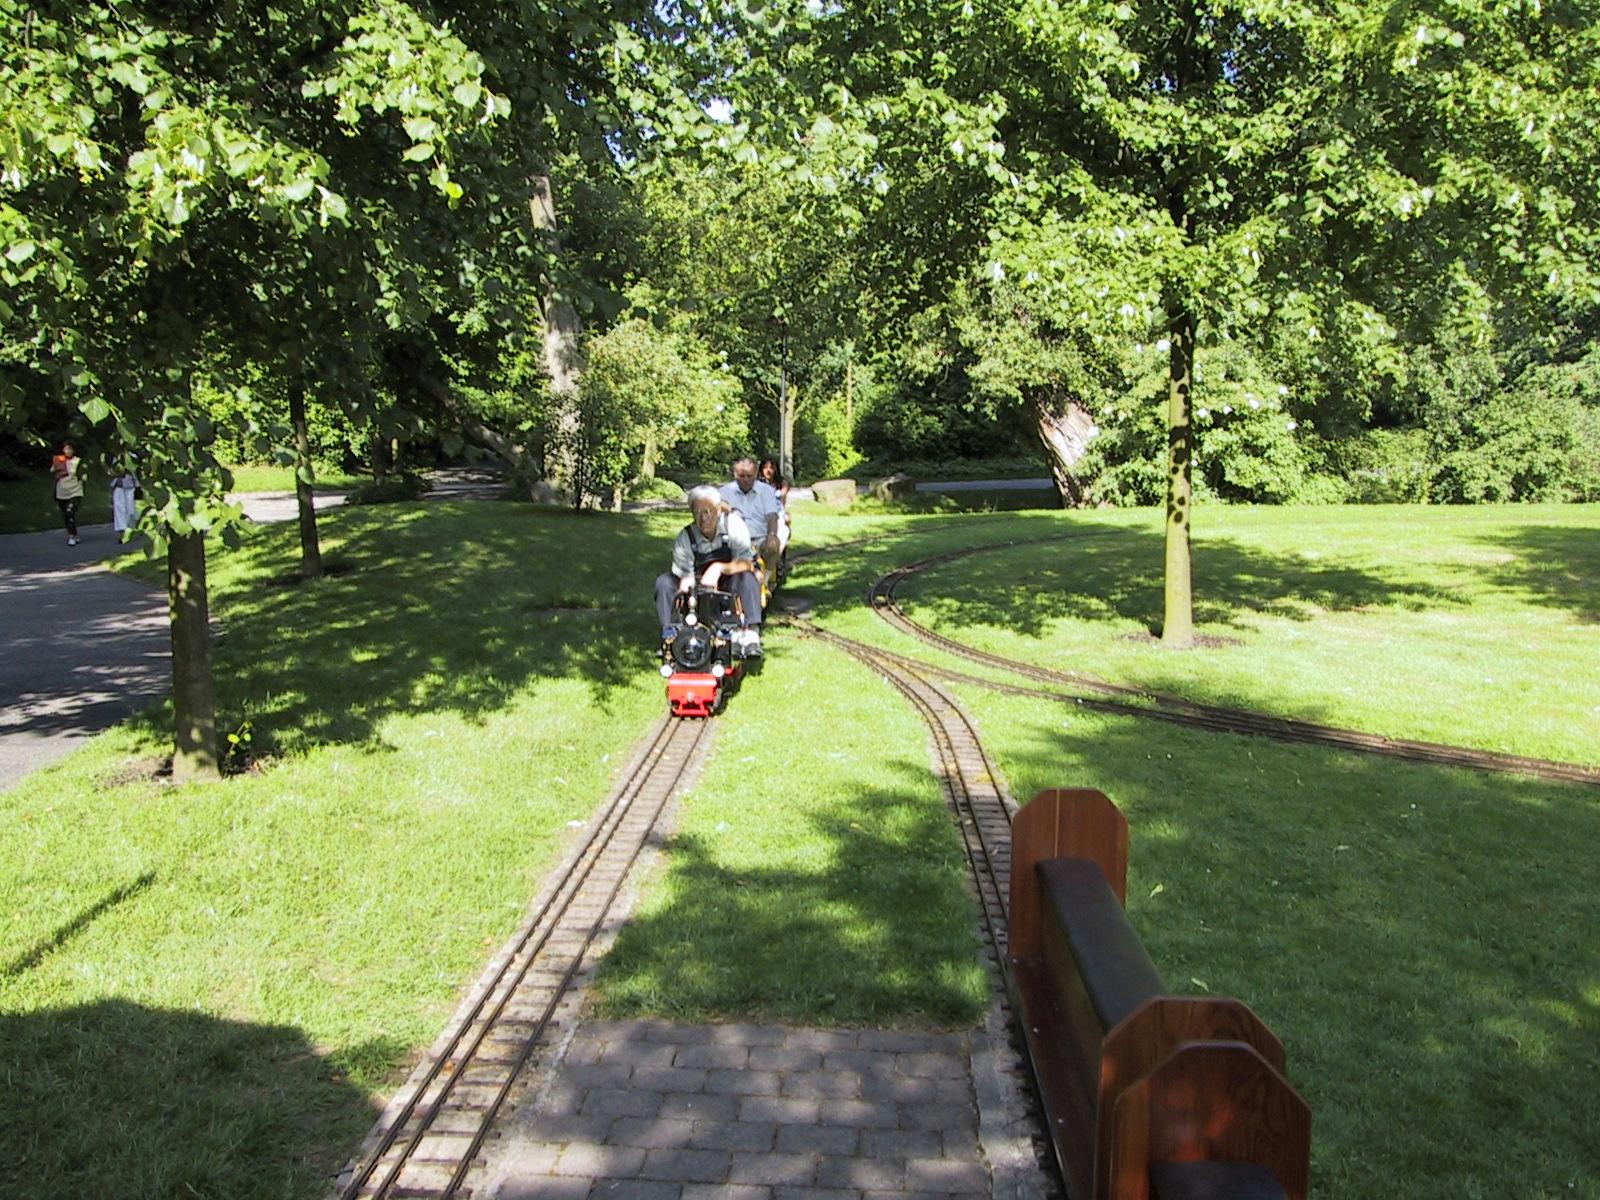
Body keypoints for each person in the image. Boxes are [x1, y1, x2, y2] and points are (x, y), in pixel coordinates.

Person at [654, 484, 764, 655]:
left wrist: (719, 568)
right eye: (697, 512)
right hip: (698, 588)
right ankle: (671, 635)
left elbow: (747, 562)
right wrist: (689, 586)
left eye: (707, 511)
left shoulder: (733, 525)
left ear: (718, 510)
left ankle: (750, 635)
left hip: (729, 583)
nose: (703, 518)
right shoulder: (685, 538)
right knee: (664, 582)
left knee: (747, 577)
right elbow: (684, 576)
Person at [719, 456, 782, 580]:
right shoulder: (725, 492)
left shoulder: (766, 491)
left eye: (749, 476)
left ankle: (766, 579)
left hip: (760, 538)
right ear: (735, 474)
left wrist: (772, 534)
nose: (746, 480)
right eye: (742, 476)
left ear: (756, 474)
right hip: (734, 540)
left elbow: (772, 516)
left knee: (774, 544)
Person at [757, 455, 792, 563]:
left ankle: (775, 559)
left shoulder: (782, 484)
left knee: (783, 531)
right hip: (761, 515)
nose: (768, 471)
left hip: (777, 513)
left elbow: (782, 502)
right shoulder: (757, 484)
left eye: (771, 468)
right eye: (765, 467)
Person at [51, 442, 84, 546]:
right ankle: (73, 533)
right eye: (66, 449)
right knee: (66, 515)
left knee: (70, 512)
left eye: (70, 449)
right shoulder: (59, 460)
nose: (68, 451)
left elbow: (83, 475)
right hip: (62, 491)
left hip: (75, 491)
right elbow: (52, 471)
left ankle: (72, 536)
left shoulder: (78, 461)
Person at [111, 464, 140, 534]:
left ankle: (130, 526)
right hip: (118, 484)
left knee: (130, 507)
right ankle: (121, 527)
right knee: (118, 506)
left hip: (130, 484)